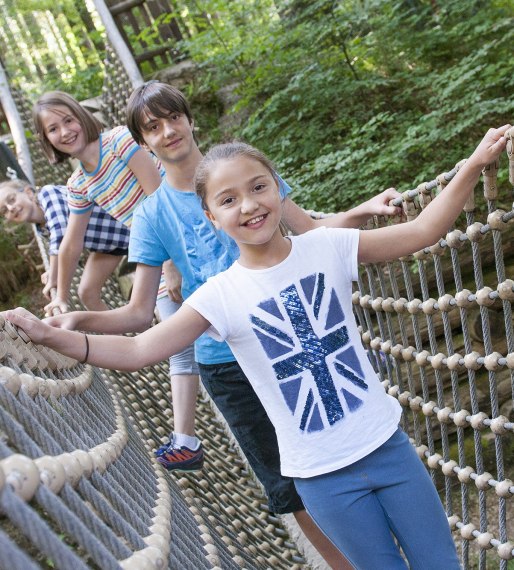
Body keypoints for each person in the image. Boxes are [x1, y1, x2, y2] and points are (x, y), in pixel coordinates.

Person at [7, 124, 510, 569]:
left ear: (279, 189)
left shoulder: (327, 247)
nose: (248, 205)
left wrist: (474, 164)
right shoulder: (219, 297)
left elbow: (422, 230)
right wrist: (55, 336)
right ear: (209, 218)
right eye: (227, 200)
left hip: (388, 447)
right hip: (320, 477)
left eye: (258, 187)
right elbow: (141, 349)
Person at [35, 82, 405, 568]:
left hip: (289, 340)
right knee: (287, 487)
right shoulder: (149, 215)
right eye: (153, 127)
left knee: (351, 454)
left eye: (174, 119)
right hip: (225, 363)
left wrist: (361, 211)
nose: (168, 132)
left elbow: (309, 232)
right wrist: (77, 317)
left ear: (190, 120)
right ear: (142, 142)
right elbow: (137, 315)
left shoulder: (242, 170)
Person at [32, 90, 201, 470]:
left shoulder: (118, 142)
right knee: (177, 341)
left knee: (203, 332)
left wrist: (172, 261)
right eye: (53, 129)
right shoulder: (79, 185)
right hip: (155, 253)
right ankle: (187, 441)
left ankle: (189, 436)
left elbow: (157, 194)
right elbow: (72, 243)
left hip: (187, 234)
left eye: (68, 120)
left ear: (81, 116)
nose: (65, 131)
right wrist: (59, 295)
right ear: (48, 141)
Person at [0, 179, 129, 311]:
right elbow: (58, 246)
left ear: (28, 193)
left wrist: (61, 296)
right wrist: (53, 270)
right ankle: (119, 330)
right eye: (4, 210)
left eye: (12, 199)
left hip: (126, 225)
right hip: (111, 245)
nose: (11, 208)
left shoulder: (47, 193)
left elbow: (62, 238)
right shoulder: (41, 228)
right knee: (87, 293)